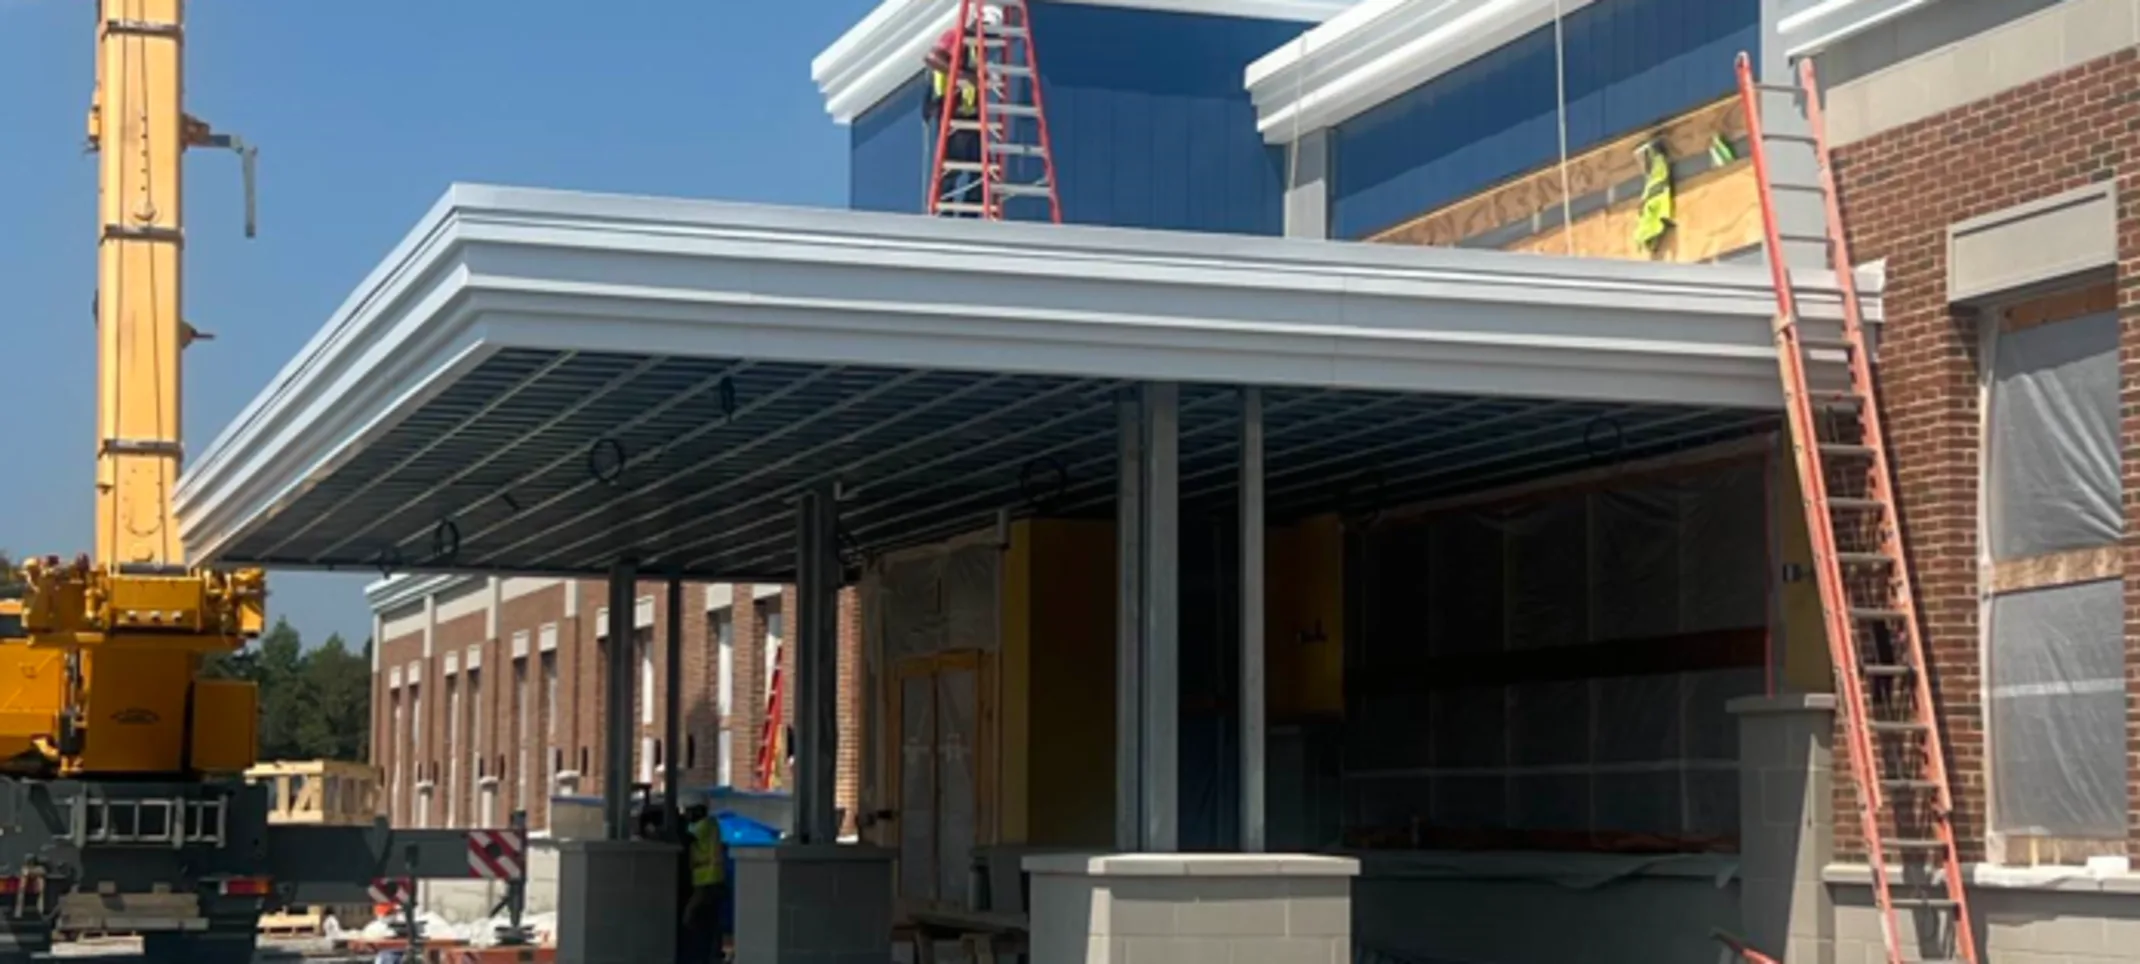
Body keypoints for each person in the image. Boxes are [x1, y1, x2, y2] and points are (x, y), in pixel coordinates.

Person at [923, 5, 1004, 214]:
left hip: (971, 113)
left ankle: (970, 214)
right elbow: (932, 58)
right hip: (951, 111)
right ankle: (945, 214)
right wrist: (966, 76)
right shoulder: (955, 37)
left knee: (980, 168)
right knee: (953, 166)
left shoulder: (980, 48)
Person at [678, 798, 727, 964]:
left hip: (706, 881)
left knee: (689, 917)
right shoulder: (712, 825)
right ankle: (712, 954)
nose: (687, 815)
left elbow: (686, 838)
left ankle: (698, 954)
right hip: (712, 880)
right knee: (710, 922)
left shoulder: (704, 826)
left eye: (689, 811)